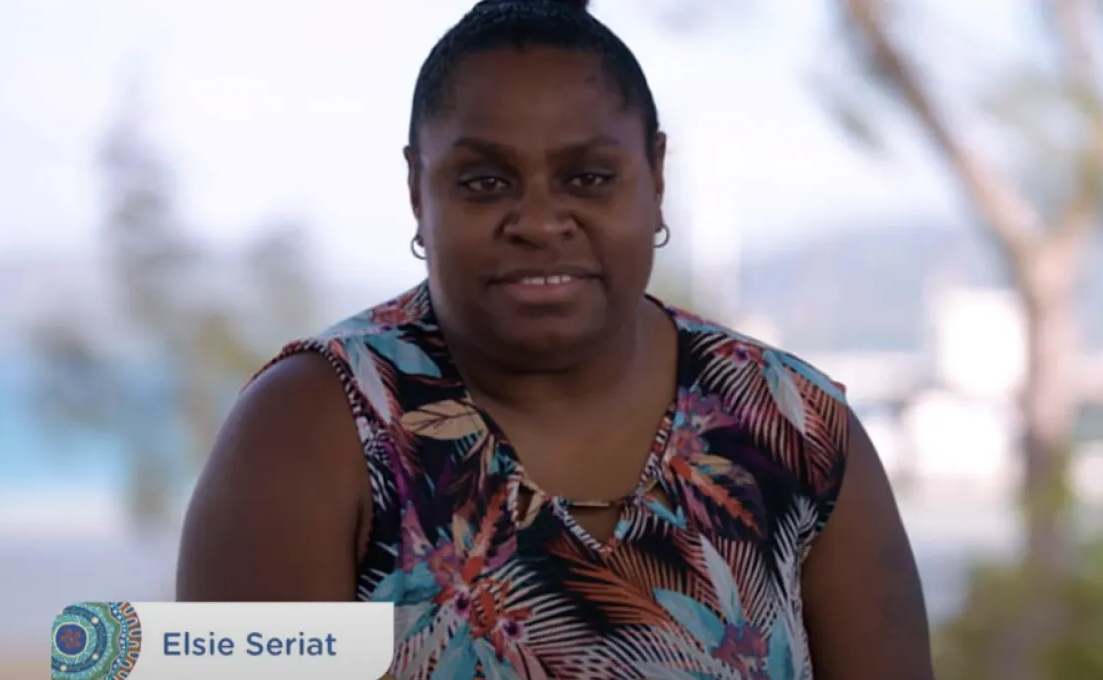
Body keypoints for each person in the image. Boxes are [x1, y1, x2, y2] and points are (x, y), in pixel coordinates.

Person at [176, 0, 936, 677]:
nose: (538, 223)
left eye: (588, 178)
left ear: (656, 177)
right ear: (418, 188)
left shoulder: (791, 425)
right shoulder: (315, 427)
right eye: (484, 182)